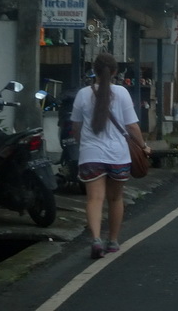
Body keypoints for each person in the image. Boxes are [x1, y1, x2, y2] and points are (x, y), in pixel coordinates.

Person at [71, 52, 150, 259]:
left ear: (94, 71)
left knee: (94, 199)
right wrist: (143, 146)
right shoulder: (122, 93)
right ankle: (113, 241)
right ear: (115, 72)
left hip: (91, 155)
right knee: (115, 199)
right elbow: (132, 126)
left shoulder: (82, 94)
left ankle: (96, 239)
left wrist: (84, 145)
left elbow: (76, 127)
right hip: (118, 155)